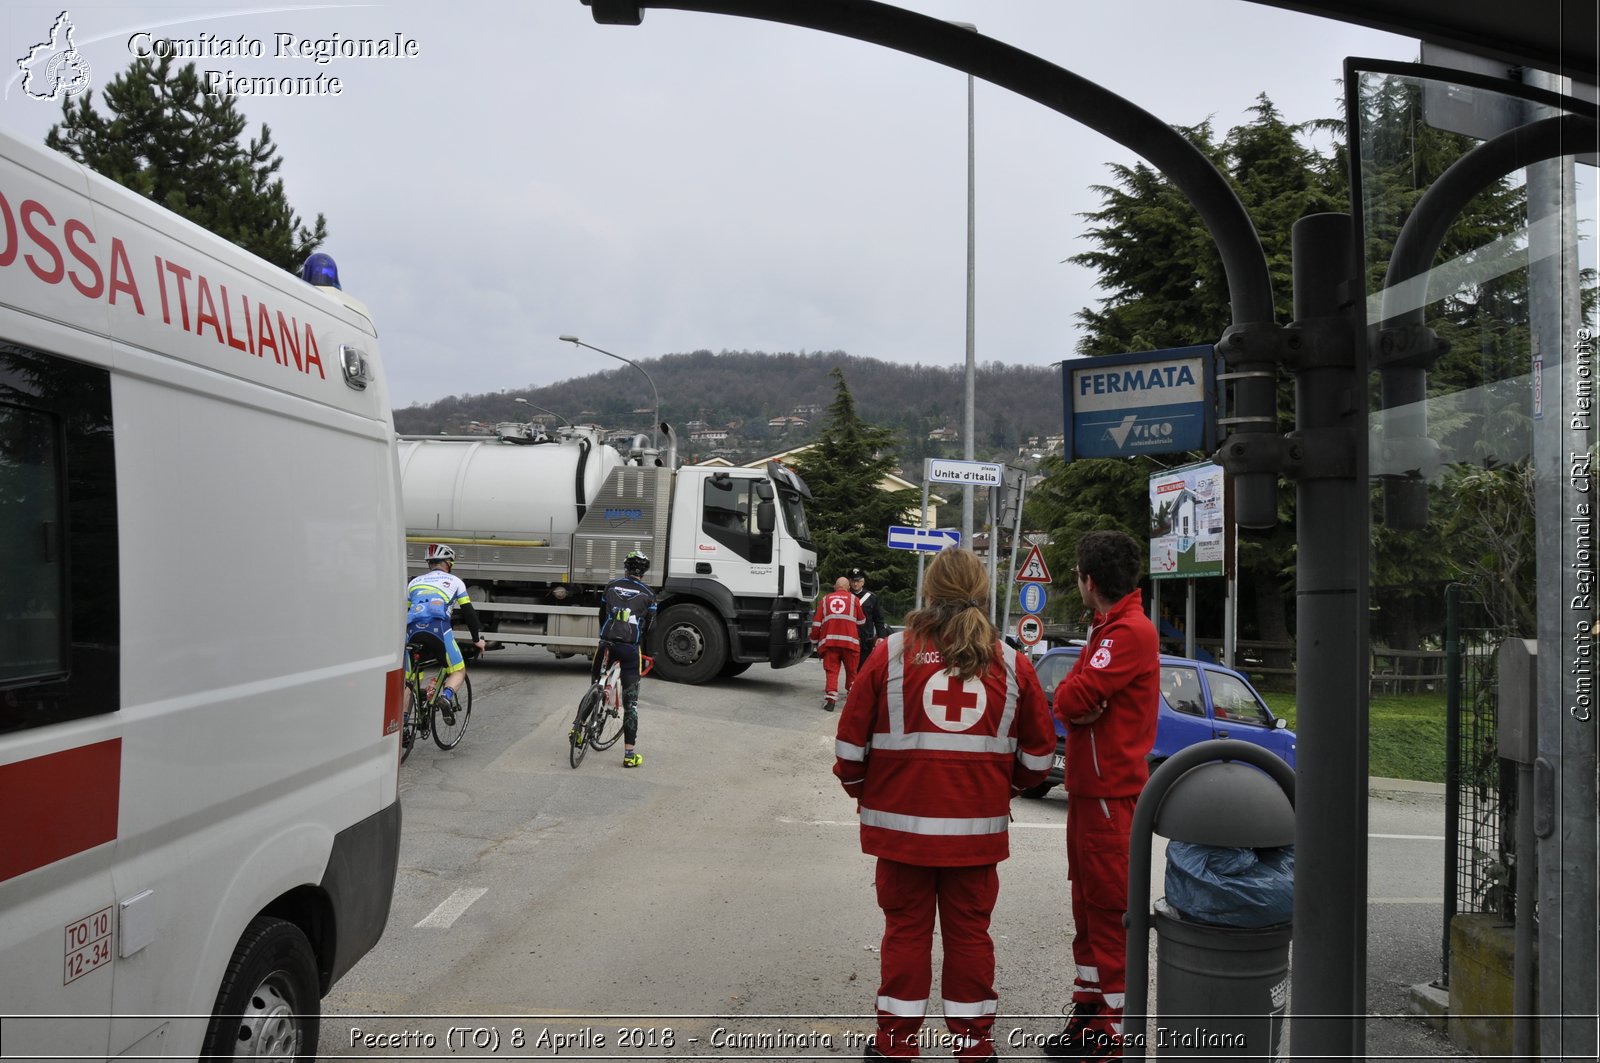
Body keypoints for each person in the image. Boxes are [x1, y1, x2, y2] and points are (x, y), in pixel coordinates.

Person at [834, 547, 1056, 1062]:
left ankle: (895, 1048)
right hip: (975, 838)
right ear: (982, 594)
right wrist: (1000, 791)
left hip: (901, 834)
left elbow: (848, 751)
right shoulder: (1012, 663)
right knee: (971, 938)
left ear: (929, 592)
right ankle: (974, 1049)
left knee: (905, 935)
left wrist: (871, 793)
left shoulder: (890, 653)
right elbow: (1040, 759)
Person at [1042, 530, 1160, 1060]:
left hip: (1111, 796)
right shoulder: (1108, 627)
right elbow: (1075, 699)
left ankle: (1113, 1036)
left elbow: (1072, 697)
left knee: (1110, 913)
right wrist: (1078, 700)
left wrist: (1076, 700)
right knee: (1087, 910)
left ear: (1089, 582)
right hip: (1092, 794)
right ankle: (1089, 1016)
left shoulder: (1127, 631)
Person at [592, 550, 658, 768]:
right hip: (630, 650)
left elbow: (602, 615)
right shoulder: (649, 594)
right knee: (631, 705)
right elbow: (649, 628)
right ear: (644, 572)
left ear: (626, 568)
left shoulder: (611, 586)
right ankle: (629, 755)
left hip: (606, 645)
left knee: (594, 685)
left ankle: (579, 728)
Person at [405, 544, 486, 716]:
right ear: (448, 563)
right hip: (438, 630)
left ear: (430, 564)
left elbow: (403, 613)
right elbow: (468, 612)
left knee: (410, 681)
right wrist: (476, 639)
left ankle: (405, 724)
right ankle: (446, 697)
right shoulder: (455, 581)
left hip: (412, 632)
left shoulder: (413, 582)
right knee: (458, 670)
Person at [811, 575, 866, 711]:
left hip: (830, 644)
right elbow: (862, 621)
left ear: (835, 587)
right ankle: (852, 699)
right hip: (850, 644)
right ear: (848, 587)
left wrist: (814, 639)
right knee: (852, 671)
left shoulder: (825, 600)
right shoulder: (854, 599)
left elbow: (816, 623)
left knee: (832, 671)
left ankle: (831, 700)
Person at [849, 566, 890, 669]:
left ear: (863, 582)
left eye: (858, 581)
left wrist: (881, 636)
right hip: (849, 637)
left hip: (865, 639)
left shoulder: (871, 598)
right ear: (850, 582)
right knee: (851, 668)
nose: (855, 584)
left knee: (862, 668)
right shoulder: (846, 596)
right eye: (853, 581)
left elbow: (878, 619)